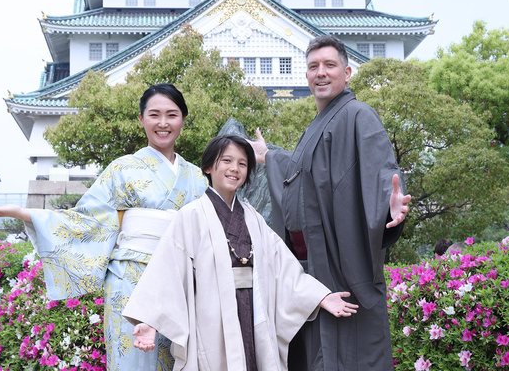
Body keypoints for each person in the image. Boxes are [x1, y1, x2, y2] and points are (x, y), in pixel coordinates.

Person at [0, 84, 208, 371]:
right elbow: (85, 220)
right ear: (141, 119)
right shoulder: (121, 169)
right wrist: (26, 214)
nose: (163, 123)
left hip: (179, 279)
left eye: (172, 115)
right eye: (154, 114)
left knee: (180, 358)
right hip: (130, 278)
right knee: (132, 360)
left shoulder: (197, 177)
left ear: (183, 118)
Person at [122, 135, 359, 371]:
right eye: (226, 161)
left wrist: (320, 296)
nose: (234, 169)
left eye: (242, 163)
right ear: (208, 166)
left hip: (254, 312)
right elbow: (167, 270)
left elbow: (283, 267)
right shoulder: (191, 215)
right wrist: (150, 321)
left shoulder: (253, 217)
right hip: (211, 318)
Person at [248, 35, 411, 371]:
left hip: (339, 265)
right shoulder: (316, 126)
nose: (320, 73)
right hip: (309, 269)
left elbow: (382, 171)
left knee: (348, 355)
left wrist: (388, 206)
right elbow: (308, 174)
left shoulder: (358, 115)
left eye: (329, 65)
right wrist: (269, 157)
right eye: (313, 67)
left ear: (347, 72)